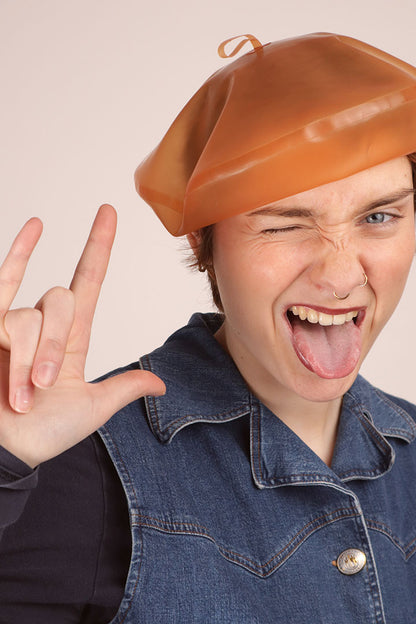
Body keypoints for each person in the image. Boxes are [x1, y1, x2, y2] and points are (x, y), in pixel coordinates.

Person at [0, 31, 416, 624]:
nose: (342, 275)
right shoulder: (81, 472)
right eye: (284, 225)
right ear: (203, 238)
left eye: (380, 216)